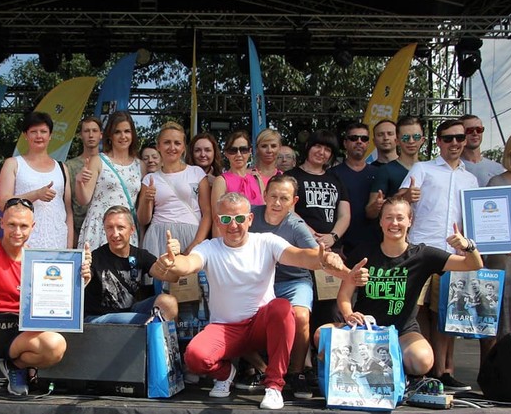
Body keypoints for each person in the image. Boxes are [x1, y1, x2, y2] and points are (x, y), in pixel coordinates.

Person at [154, 192, 361, 409]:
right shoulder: (208, 247)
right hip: (226, 328)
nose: (233, 225)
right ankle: (226, 374)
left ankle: (274, 386)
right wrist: (173, 262)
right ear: (217, 221)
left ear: (250, 219)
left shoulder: (266, 241)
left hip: (260, 325)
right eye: (226, 219)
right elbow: (188, 264)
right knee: (195, 358)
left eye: (239, 218)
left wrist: (323, 258)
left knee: (282, 307)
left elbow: (300, 256)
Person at [316, 197, 482, 380]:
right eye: (388, 217)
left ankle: (393, 372)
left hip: (402, 332)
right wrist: (349, 315)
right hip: (365, 330)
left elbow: (473, 264)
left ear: (410, 221)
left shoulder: (423, 255)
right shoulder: (364, 253)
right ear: (380, 221)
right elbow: (344, 296)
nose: (394, 223)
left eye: (400, 218)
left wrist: (468, 246)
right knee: (321, 335)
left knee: (422, 361)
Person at [0, 198, 91, 401]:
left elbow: (58, 295)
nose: (17, 231)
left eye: (23, 226)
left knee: (56, 345)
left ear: (33, 227)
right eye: (12, 224)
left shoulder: (40, 260)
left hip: (19, 335)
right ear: (2, 223)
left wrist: (79, 279)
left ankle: (14, 367)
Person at [397, 119, 478, 391]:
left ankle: (444, 371)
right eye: (448, 138)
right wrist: (407, 194)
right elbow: (399, 200)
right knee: (415, 311)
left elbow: (475, 217)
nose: (455, 143)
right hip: (420, 250)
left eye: (459, 138)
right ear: (439, 141)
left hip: (452, 253)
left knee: (446, 314)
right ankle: (423, 370)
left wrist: (469, 244)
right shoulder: (422, 168)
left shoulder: (471, 178)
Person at [245, 175, 322, 398]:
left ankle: (296, 372)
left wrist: (343, 270)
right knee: (235, 313)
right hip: (258, 280)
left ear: (294, 201)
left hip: (293, 281)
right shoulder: (250, 216)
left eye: (284, 198)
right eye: (273, 196)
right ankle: (261, 368)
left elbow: (317, 257)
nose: (277, 203)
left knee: (301, 317)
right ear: (264, 195)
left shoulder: (296, 226)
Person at [285, 129, 350, 340]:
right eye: (317, 146)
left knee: (331, 306)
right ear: (308, 147)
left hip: (332, 250)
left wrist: (333, 236)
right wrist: (312, 235)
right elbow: (288, 210)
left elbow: (345, 214)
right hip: (302, 250)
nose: (322, 152)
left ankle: (324, 349)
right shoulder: (292, 177)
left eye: (327, 149)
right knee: (303, 305)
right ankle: (303, 353)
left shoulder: (336, 179)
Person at [84, 205, 178, 323]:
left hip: (131, 311)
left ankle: (153, 327)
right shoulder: (95, 257)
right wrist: (83, 277)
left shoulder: (140, 255)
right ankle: (152, 326)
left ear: (132, 230)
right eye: (110, 228)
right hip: (98, 318)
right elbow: (82, 281)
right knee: (145, 319)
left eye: (120, 227)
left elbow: (172, 277)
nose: (115, 234)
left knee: (169, 303)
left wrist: (172, 261)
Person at [0, 111, 73, 248]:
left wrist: (69, 247)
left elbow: (68, 212)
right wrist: (36, 194)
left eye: (43, 131)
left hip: (58, 242)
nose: (39, 136)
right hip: (23, 242)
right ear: (25, 135)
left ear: (50, 135)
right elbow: (3, 203)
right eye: (33, 132)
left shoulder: (62, 168)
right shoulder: (13, 164)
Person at [138, 121, 211, 257]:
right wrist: (147, 200)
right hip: (158, 236)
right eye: (167, 142)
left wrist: (197, 242)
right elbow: (143, 220)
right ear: (158, 146)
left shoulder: (197, 173)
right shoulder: (149, 179)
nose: (172, 147)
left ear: (183, 147)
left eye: (177, 143)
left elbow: (207, 212)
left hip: (192, 235)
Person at [76, 111, 143, 249]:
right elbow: (84, 199)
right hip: (100, 226)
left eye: (127, 131)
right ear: (110, 136)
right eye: (117, 132)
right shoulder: (98, 160)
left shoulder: (140, 165)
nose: (123, 136)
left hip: (125, 227)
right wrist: (79, 181)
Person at [479, 134, 511, 368]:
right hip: (501, 263)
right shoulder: (496, 183)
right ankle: (492, 374)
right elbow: (485, 224)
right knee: (495, 322)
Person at [330, 123, 378, 256]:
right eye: (353, 138)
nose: (359, 142)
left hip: (373, 245)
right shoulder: (332, 174)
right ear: (345, 143)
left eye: (364, 138)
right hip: (340, 246)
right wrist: (335, 244)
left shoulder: (379, 173)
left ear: (368, 143)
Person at [366, 116, 425, 219]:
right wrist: (377, 206)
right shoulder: (385, 170)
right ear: (397, 141)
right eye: (405, 137)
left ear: (422, 140)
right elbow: (369, 212)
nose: (411, 141)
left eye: (416, 137)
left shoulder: (429, 170)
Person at [211, 131, 263, 227]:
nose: (238, 154)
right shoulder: (221, 181)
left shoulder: (257, 179)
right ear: (226, 153)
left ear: (250, 151)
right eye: (233, 150)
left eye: (243, 150)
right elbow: (217, 220)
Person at [65, 116, 102, 242]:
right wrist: (72, 233)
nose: (91, 135)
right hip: (78, 228)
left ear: (101, 135)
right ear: (81, 135)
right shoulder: (69, 166)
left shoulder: (108, 164)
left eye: (94, 131)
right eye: (86, 131)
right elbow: (67, 202)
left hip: (103, 227)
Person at [459, 114, 504, 187]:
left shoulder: (498, 169)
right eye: (469, 130)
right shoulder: (452, 168)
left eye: (479, 130)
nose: (475, 133)